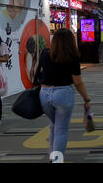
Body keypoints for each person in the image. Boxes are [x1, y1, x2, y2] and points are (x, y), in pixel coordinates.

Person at [35, 28, 91, 159]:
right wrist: (86, 99)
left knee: (53, 125)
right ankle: (56, 160)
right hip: (63, 94)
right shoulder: (72, 57)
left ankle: (52, 156)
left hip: (44, 94)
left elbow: (38, 74)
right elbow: (77, 82)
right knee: (61, 130)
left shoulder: (45, 54)